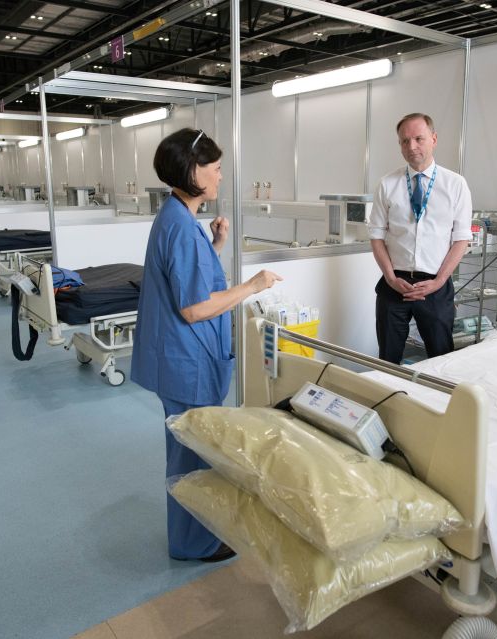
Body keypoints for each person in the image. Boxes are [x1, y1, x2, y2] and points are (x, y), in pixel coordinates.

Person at [131, 128, 282, 562]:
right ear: (193, 172)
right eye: (215, 170)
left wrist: (216, 244)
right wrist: (252, 285)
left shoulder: (178, 216)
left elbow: (190, 280)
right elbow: (195, 308)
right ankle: (190, 544)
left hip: (181, 358)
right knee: (189, 458)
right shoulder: (180, 226)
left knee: (189, 452)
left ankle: (193, 536)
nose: (220, 178)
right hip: (185, 362)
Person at [368, 113, 473, 364]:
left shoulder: (455, 185)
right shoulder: (387, 184)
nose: (411, 146)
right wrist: (391, 278)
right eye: (405, 141)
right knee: (388, 357)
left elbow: (461, 239)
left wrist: (440, 280)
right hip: (395, 285)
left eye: (418, 138)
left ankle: (437, 402)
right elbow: (376, 236)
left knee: (441, 357)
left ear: (433, 139)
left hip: (435, 286)